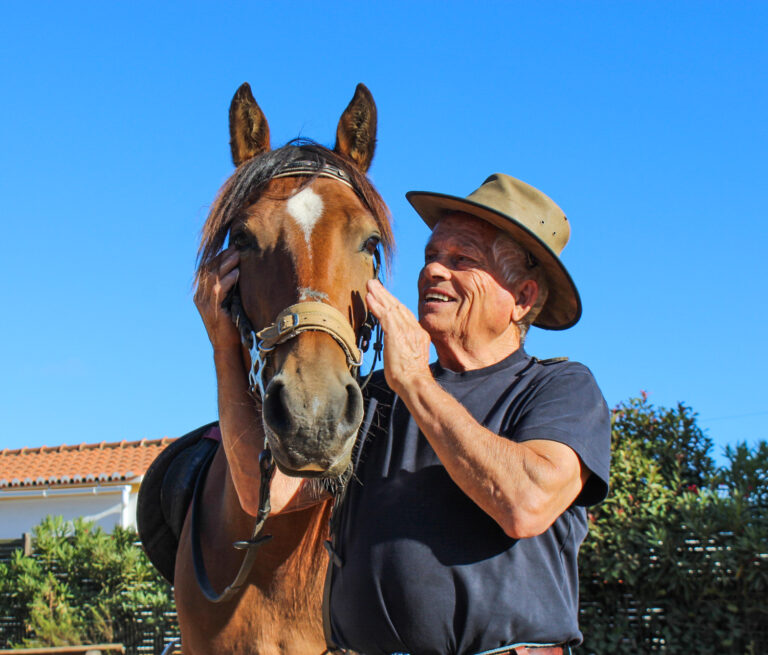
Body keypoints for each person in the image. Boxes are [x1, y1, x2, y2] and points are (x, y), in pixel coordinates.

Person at [196, 173, 610, 655]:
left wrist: (416, 382)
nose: (433, 272)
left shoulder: (559, 388)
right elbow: (262, 495)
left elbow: (525, 503)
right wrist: (226, 349)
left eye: (462, 261)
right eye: (432, 256)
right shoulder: (376, 397)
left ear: (523, 298)